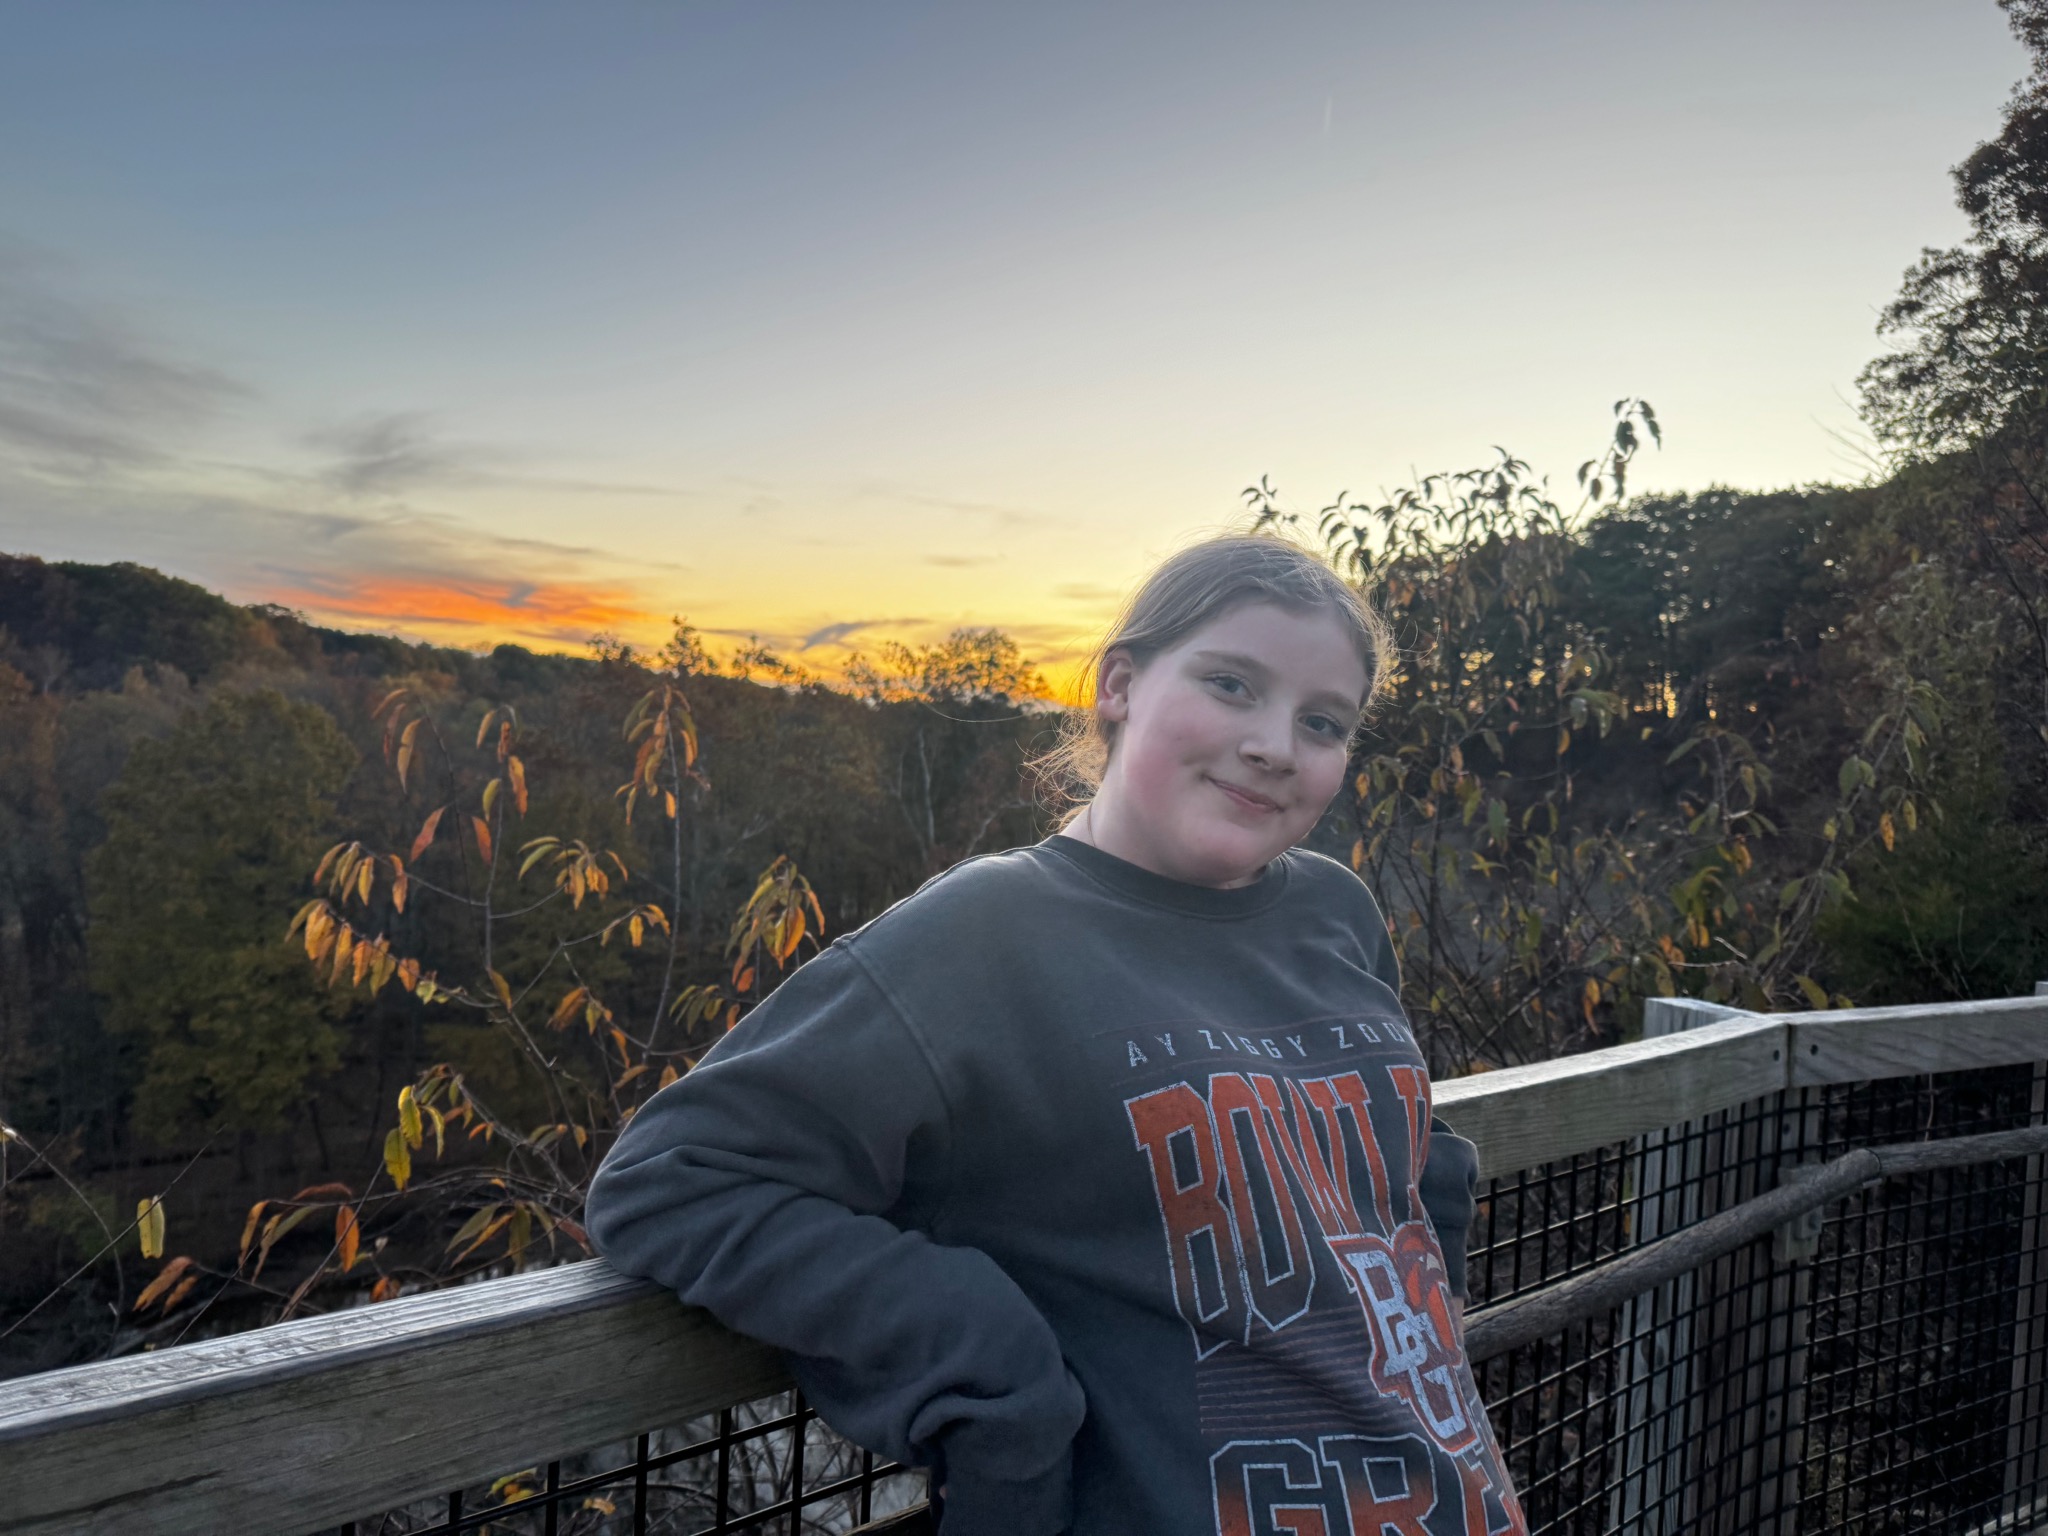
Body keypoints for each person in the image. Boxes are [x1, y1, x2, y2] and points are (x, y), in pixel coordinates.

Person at [585, 534, 1527, 1536]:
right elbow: (673, 1179)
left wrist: (1427, 1328)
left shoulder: (1332, 913)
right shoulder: (984, 935)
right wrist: (994, 1374)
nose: (1274, 746)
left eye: (1322, 722)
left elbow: (1405, 1162)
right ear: (1120, 685)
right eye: (1230, 685)